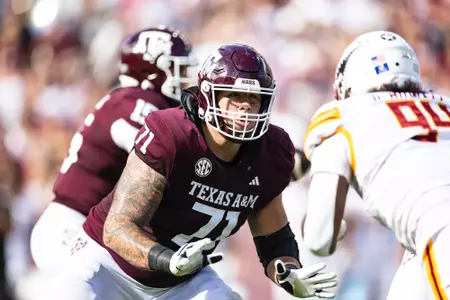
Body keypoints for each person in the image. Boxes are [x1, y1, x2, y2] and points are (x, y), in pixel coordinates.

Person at [49, 43, 338, 300]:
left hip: (181, 280)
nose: (246, 108)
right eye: (235, 95)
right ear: (208, 95)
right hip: (108, 265)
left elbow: (274, 241)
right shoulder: (171, 135)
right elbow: (118, 229)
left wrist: (289, 274)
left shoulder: (271, 151)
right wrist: (168, 260)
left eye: (254, 99)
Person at [30, 25, 197, 275]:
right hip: (71, 228)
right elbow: (145, 149)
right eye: (178, 69)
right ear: (151, 71)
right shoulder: (138, 101)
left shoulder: (133, 100)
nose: (185, 78)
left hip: (86, 229)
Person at [302, 30, 450, 299]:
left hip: (441, 227)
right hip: (427, 238)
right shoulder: (445, 103)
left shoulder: (342, 115)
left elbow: (319, 240)